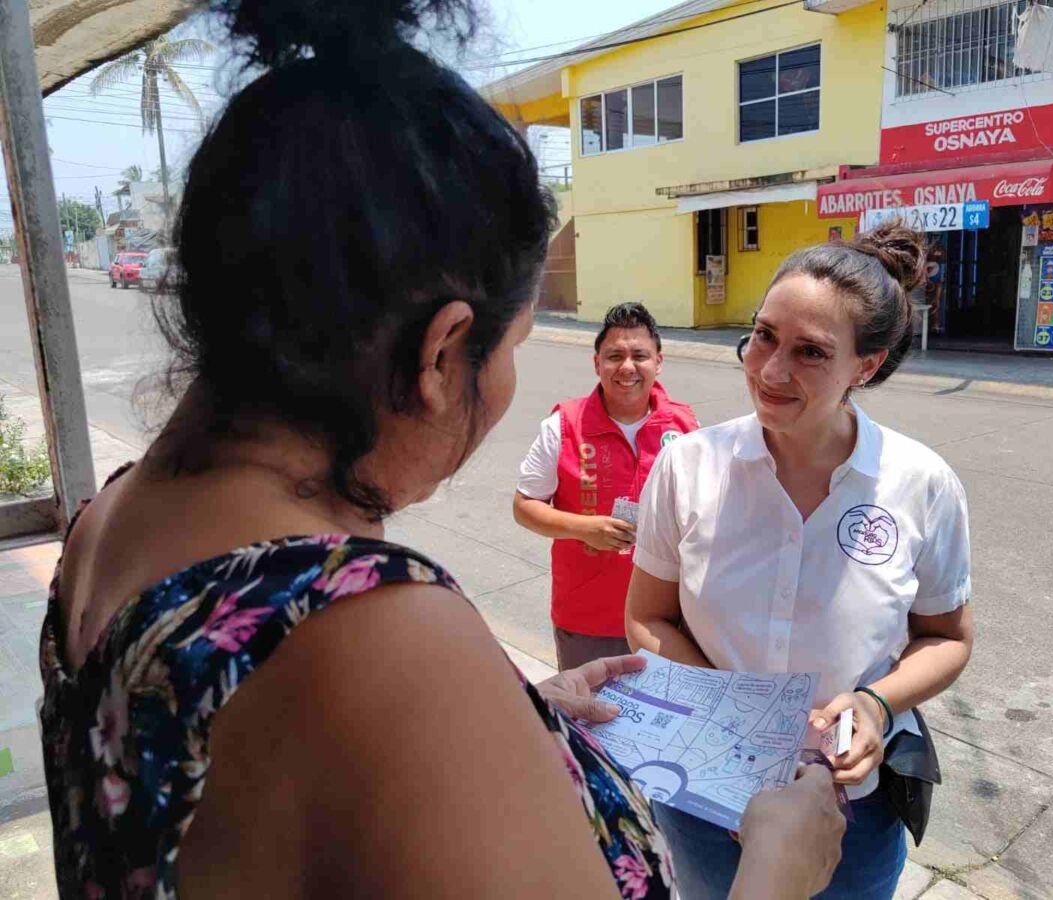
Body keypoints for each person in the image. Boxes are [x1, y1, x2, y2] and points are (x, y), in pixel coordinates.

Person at [37, 1, 847, 897]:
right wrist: (776, 865)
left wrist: (512, 722)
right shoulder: (364, 634)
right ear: (439, 353)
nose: (502, 391)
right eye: (507, 352)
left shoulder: (106, 521)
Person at [627, 223, 975, 900]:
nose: (770, 371)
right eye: (763, 336)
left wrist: (876, 705)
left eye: (811, 352)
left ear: (865, 366)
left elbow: (946, 637)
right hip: (703, 796)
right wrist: (742, 735)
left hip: (853, 810)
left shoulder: (922, 484)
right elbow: (647, 617)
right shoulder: (688, 466)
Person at [513, 302, 698, 670]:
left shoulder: (684, 425)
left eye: (639, 355)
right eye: (614, 356)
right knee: (589, 719)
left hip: (668, 620)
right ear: (597, 363)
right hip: (587, 619)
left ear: (658, 362)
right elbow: (524, 506)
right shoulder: (563, 425)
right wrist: (585, 528)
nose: (627, 367)